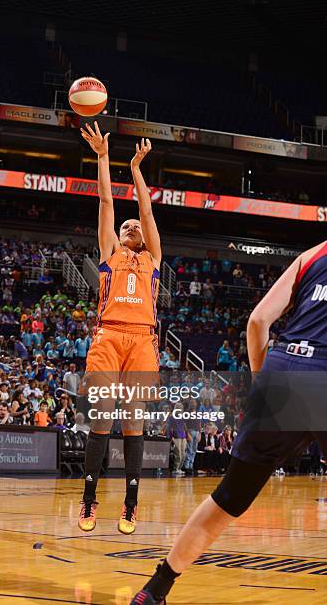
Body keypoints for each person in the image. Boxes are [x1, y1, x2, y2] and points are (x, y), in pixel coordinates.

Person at [130, 239, 327, 604]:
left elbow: (257, 321)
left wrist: (263, 380)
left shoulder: (312, 255)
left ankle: (155, 589)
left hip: (283, 369)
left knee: (229, 497)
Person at [78, 122, 161, 535]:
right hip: (108, 336)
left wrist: (136, 167)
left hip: (143, 340)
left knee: (133, 422)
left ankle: (130, 506)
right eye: (125, 226)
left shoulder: (153, 259)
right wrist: (103, 156)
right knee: (100, 419)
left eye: (135, 227)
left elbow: (145, 209)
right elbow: (107, 199)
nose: (131, 227)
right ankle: (89, 502)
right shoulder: (110, 251)